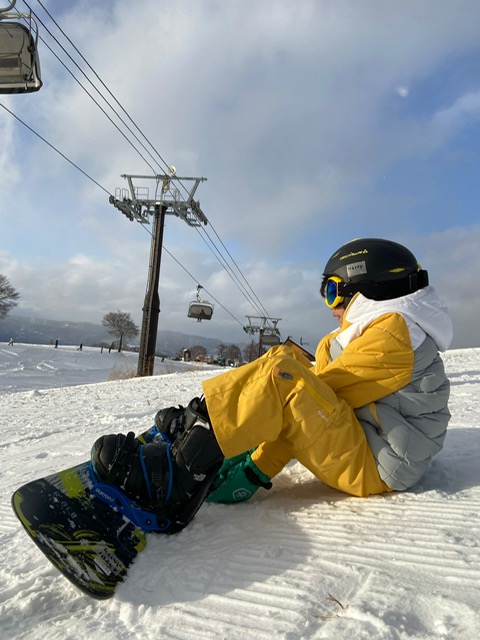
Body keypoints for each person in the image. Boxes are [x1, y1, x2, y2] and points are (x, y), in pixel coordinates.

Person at [91, 238, 453, 534]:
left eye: (332, 291)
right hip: (369, 440)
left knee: (285, 374)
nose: (330, 306)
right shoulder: (374, 333)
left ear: (367, 287)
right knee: (289, 360)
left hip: (379, 464)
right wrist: (245, 458)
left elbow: (296, 398)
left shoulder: (394, 335)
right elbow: (307, 410)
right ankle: (196, 432)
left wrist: (255, 466)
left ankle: (173, 482)